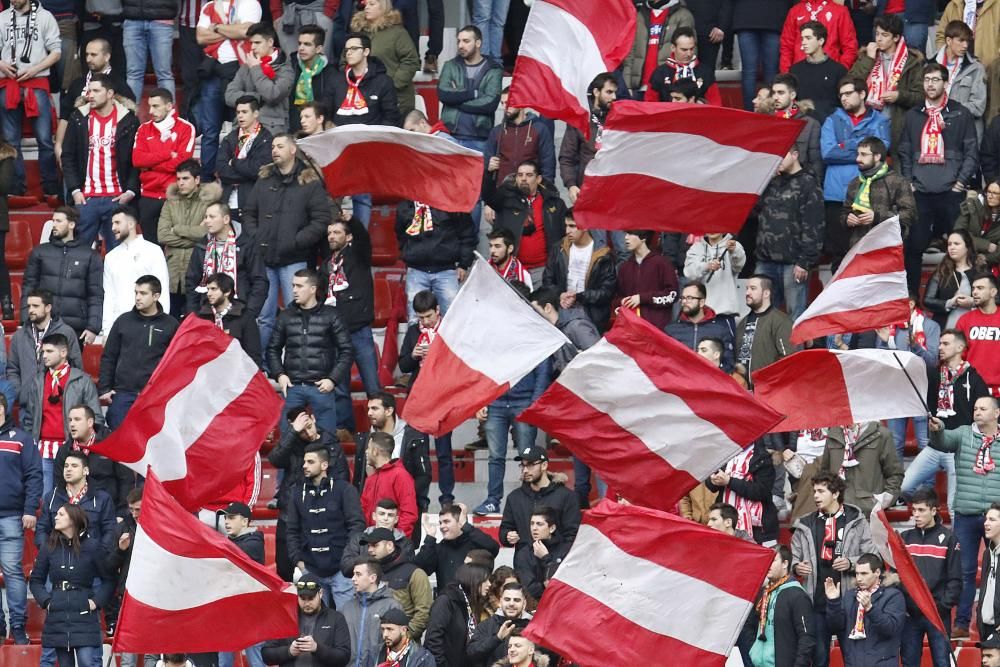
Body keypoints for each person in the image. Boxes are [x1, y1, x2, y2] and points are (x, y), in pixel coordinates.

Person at [245, 133, 331, 353]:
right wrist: (257, 237)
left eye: (280, 146)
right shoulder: (264, 178)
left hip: (294, 259)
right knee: (264, 316)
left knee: (297, 315)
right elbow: (249, 213)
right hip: (264, 258)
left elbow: (321, 219)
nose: (274, 150)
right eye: (273, 146)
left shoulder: (309, 180)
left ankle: (295, 366)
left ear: (293, 150)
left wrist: (296, 241)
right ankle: (261, 366)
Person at [898, 61, 980, 291]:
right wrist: (909, 183)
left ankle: (956, 296)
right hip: (920, 193)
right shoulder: (914, 115)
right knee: (913, 247)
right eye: (927, 79)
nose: (930, 84)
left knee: (958, 249)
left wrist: (961, 183)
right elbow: (904, 152)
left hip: (951, 193)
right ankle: (912, 298)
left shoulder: (960, 113)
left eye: (935, 80)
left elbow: (971, 152)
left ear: (946, 83)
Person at [929, 397, 1000, 638]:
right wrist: (937, 430)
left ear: (997, 413)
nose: (977, 412)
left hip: (997, 515)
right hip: (966, 515)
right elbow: (943, 442)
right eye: (975, 409)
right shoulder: (962, 433)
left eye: (983, 409)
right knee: (965, 571)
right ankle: (961, 623)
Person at [790, 472, 876, 667]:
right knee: (820, 661)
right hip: (817, 603)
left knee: (854, 661)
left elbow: (873, 558)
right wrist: (797, 567)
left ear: (836, 493)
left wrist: (852, 563)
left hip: (850, 604)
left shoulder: (857, 520)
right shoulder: (804, 524)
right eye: (814, 491)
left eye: (821, 491)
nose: (816, 496)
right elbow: (792, 558)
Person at [902, 328, 988, 506]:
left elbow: (985, 413)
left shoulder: (974, 378)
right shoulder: (934, 374)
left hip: (958, 449)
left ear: (960, 347)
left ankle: (952, 533)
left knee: (953, 507)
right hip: (934, 447)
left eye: (946, 344)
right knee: (904, 488)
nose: (940, 347)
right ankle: (931, 516)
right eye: (940, 343)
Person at [267, 269, 353, 437]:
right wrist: (280, 374)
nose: (294, 290)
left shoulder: (331, 315)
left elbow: (347, 350)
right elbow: (272, 349)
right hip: (293, 387)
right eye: (293, 286)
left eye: (299, 286)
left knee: (326, 443)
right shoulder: (285, 316)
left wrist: (332, 379)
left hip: (321, 387)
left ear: (313, 289)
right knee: (287, 442)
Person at [62, 73, 140, 251]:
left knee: (118, 256)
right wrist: (75, 190)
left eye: (96, 91)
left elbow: (136, 159)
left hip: (117, 197)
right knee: (78, 254)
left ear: (110, 93)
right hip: (86, 198)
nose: (90, 95)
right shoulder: (78, 118)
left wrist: (130, 191)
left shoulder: (129, 120)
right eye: (89, 91)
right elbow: (67, 156)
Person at [287, 442, 366, 611]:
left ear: (324, 465)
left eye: (310, 462)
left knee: (346, 622)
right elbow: (292, 530)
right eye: (304, 462)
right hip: (310, 569)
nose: (304, 466)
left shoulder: (344, 489)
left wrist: (348, 558)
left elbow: (356, 525)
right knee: (313, 626)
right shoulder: (296, 493)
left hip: (341, 571)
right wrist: (299, 562)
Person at [21, 335, 103, 500]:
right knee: (46, 501)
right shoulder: (37, 381)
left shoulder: (83, 380)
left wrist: (85, 445)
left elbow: (96, 418)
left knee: (74, 498)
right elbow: (29, 417)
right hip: (43, 449)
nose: (44, 355)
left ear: (64, 352)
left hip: (72, 449)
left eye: (49, 351)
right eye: (43, 351)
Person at [29, 504, 111, 667]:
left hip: (84, 612)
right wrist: (47, 601)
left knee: (86, 662)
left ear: (73, 519)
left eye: (61, 514)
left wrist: (95, 602)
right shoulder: (49, 547)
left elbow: (109, 579)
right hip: (57, 614)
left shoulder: (93, 546)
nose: (56, 517)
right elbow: (36, 580)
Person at [324, 217, 382, 431]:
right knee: (339, 386)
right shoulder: (326, 265)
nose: (332, 236)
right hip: (336, 333)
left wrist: (353, 221)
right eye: (330, 233)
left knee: (372, 385)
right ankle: (344, 429)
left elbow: (365, 240)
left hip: (359, 331)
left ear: (348, 237)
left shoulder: (358, 256)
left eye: (337, 232)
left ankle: (383, 429)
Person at [398, 291, 456, 504]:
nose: (425, 321)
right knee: (416, 452)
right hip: (419, 397)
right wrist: (414, 355)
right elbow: (403, 365)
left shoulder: (449, 330)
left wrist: (437, 354)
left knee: (443, 452)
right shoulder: (414, 332)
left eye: (429, 316)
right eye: (421, 317)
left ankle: (446, 498)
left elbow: (457, 361)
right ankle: (417, 498)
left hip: (443, 397)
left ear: (438, 310)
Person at [473, 359, 551, 516]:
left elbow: (543, 368)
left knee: (527, 456)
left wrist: (534, 402)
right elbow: (482, 365)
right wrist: (481, 400)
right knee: (495, 457)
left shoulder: (535, 335)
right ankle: (492, 501)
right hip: (495, 401)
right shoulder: (494, 337)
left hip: (524, 401)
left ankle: (528, 500)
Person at [821, 82, 891, 258]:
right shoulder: (831, 120)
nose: (843, 98)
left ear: (862, 94)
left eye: (848, 93)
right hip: (837, 195)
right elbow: (828, 152)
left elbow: (880, 151)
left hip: (870, 195)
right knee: (838, 255)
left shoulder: (880, 120)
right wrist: (863, 147)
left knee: (869, 255)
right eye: (841, 94)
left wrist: (844, 144)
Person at [98, 274, 178, 428]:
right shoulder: (123, 321)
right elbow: (109, 357)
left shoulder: (171, 324)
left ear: (156, 296)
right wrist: (105, 389)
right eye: (136, 293)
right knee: (119, 443)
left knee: (150, 447)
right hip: (122, 393)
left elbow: (175, 363)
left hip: (154, 396)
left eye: (143, 293)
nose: (138, 297)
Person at [0, 0, 61, 198]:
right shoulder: (1, 18)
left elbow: (57, 52)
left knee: (44, 138)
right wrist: (1, 64)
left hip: (36, 81)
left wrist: (36, 69)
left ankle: (50, 187)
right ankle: (16, 187)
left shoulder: (45, 17)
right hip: (7, 83)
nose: (12, 0)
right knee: (11, 140)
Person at [194, 0, 261, 180]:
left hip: (240, 70)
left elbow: (246, 31)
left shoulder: (249, 3)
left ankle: (236, 174)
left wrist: (215, 27)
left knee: (241, 126)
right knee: (210, 131)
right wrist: (230, 29)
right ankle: (207, 178)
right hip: (214, 72)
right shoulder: (209, 6)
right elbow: (200, 37)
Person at [848, 13, 925, 158]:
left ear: (896, 38)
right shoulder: (868, 56)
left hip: (898, 126)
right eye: (877, 34)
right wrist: (869, 59)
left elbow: (921, 96)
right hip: (868, 124)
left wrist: (899, 96)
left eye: (884, 35)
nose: (879, 39)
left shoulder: (912, 62)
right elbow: (850, 86)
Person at [899, 488, 962, 667]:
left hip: (937, 614)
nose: (916, 515)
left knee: (942, 663)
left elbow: (955, 579)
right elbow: (897, 576)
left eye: (921, 510)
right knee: (909, 662)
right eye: (914, 510)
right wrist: (906, 605)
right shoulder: (904, 538)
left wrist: (941, 607)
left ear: (934, 510)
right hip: (911, 615)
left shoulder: (949, 538)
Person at [56, 38, 134, 171]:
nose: (88, 59)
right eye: (86, 54)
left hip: (108, 153)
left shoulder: (119, 84)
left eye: (93, 55)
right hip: (77, 149)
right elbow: (65, 116)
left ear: (107, 56)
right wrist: (58, 145)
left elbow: (129, 121)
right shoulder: (77, 84)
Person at [132, 88, 196, 247]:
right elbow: (138, 160)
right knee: (151, 250)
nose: (151, 111)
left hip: (175, 196)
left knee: (177, 247)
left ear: (169, 106)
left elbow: (182, 164)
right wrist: (168, 154)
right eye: (149, 106)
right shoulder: (143, 128)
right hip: (148, 196)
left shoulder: (186, 128)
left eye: (156, 106)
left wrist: (151, 164)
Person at [0, 393, 40, 646]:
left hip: (12, 516)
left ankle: (17, 626)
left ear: (3, 409)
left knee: (13, 572)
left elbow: (34, 475)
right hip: (11, 516)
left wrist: (29, 509)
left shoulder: (22, 440)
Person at [158, 161, 224, 314]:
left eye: (185, 178)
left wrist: (178, 229)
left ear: (197, 180)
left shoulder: (210, 201)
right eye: (178, 179)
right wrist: (194, 234)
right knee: (172, 319)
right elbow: (162, 235)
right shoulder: (170, 202)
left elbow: (207, 234)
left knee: (195, 319)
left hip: (199, 270)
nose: (181, 183)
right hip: (173, 271)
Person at [186, 202, 269, 318]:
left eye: (212, 217)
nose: (207, 221)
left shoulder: (246, 244)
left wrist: (249, 313)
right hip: (206, 312)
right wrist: (193, 314)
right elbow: (192, 282)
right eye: (206, 217)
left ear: (226, 219)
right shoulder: (202, 246)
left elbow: (259, 280)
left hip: (240, 311)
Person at [354, 394, 429, 523]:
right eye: (368, 409)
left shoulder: (413, 437)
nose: (369, 413)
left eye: (374, 409)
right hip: (372, 516)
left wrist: (405, 499)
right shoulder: (364, 440)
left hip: (403, 511)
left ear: (389, 411)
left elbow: (424, 476)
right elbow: (358, 480)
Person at [396, 200, 475, 320]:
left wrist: (464, 264)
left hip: (446, 270)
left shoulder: (451, 202)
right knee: (416, 320)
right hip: (416, 270)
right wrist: (409, 252)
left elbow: (467, 234)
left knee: (451, 320)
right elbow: (400, 233)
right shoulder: (406, 205)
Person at [824, 552, 906, 667]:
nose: (859, 578)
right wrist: (833, 602)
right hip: (854, 662)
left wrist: (870, 609)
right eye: (857, 574)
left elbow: (891, 629)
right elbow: (836, 627)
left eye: (864, 573)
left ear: (877, 572)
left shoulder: (894, 596)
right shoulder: (850, 595)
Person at [839, 135, 916, 256]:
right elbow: (844, 212)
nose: (858, 159)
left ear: (877, 156)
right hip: (858, 249)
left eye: (864, 155)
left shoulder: (898, 181)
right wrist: (847, 219)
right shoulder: (854, 183)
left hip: (887, 249)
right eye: (858, 154)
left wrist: (878, 217)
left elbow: (909, 214)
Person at [541, 211, 615, 334]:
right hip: (561, 309)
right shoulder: (559, 248)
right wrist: (560, 295)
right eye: (566, 226)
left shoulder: (603, 254)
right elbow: (547, 280)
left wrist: (579, 297)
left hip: (591, 314)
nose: (567, 231)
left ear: (585, 226)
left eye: (572, 226)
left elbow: (606, 292)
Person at [498, 446, 580, 558]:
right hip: (524, 565)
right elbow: (505, 528)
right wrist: (507, 536)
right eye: (523, 465)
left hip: (555, 564)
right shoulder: (514, 497)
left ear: (544, 465)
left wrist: (553, 559)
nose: (525, 470)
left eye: (531, 465)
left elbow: (572, 535)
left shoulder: (566, 496)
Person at [101, 207, 171, 336]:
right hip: (119, 327)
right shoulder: (110, 257)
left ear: (131, 224)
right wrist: (107, 330)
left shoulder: (153, 251)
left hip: (149, 325)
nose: (112, 228)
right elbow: (109, 296)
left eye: (117, 223)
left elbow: (162, 290)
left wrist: (161, 325)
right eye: (112, 223)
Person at [7, 289, 83, 406]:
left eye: (35, 306)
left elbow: (76, 368)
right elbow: (12, 369)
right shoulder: (19, 336)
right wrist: (20, 393)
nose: (31, 310)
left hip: (57, 404)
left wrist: (65, 395)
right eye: (29, 306)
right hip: (28, 405)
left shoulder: (66, 332)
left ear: (48, 308)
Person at [261, 572, 352, 667]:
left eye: (311, 598)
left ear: (320, 593)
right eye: (302, 598)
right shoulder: (285, 618)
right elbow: (266, 655)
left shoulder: (336, 618)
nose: (307, 603)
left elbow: (344, 657)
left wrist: (317, 648)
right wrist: (289, 651)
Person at [437, 25, 502, 153]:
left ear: (478, 43)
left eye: (466, 41)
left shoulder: (494, 69)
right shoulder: (450, 65)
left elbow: (490, 104)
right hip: (449, 136)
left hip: (479, 139)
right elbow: (444, 94)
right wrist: (474, 94)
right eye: (459, 41)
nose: (461, 45)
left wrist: (456, 101)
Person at [52, 405, 130, 512]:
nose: (72, 424)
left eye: (77, 419)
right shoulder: (64, 450)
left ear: (90, 423)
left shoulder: (111, 444)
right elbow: (59, 484)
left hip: (107, 511)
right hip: (74, 514)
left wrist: (121, 513)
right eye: (70, 420)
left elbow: (126, 479)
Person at [348, 0, 419, 117]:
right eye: (365, 5)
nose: (366, 8)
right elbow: (344, 60)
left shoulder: (398, 33)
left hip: (396, 99)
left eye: (372, 4)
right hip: (362, 98)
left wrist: (392, 85)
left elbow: (411, 61)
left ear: (383, 7)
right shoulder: (357, 32)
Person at [749, 545, 816, 667]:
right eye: (767, 559)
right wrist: (752, 653)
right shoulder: (763, 593)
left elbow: (807, 638)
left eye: (773, 560)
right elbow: (751, 627)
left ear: (785, 564)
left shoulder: (797, 595)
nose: (768, 563)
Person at [359, 527, 431, 642]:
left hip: (403, 646)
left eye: (375, 545)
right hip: (371, 646)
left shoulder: (414, 573)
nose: (370, 550)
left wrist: (403, 637)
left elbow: (423, 613)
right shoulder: (370, 574)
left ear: (389, 546)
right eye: (369, 546)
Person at [36, 451, 117, 553]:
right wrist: (48, 553)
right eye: (66, 466)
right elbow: (42, 529)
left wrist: (100, 555)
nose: (68, 469)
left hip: (91, 560)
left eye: (74, 466)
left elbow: (110, 530)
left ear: (85, 471)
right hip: (58, 558)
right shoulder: (51, 497)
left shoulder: (102, 498)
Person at [817, 422, 903, 517]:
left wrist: (883, 500)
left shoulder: (881, 434)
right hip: (836, 510)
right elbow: (825, 474)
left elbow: (895, 473)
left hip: (868, 513)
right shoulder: (833, 433)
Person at [218, 502, 266, 667]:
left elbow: (233, 554)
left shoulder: (254, 543)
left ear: (245, 522)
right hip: (228, 609)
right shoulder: (225, 543)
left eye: (231, 517)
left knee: (257, 661)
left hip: (251, 611)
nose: (226, 522)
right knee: (224, 663)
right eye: (225, 517)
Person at [225, 22, 295, 135]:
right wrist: (257, 98)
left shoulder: (285, 68)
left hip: (271, 132)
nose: (252, 47)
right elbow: (229, 95)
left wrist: (256, 69)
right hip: (243, 130)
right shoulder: (248, 66)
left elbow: (273, 95)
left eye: (257, 43)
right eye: (251, 43)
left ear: (270, 42)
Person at [559, 73, 617, 207]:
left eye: (615, 93)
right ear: (596, 92)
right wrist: (571, 185)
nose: (614, 97)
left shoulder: (619, 118)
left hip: (614, 192)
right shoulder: (580, 119)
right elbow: (567, 157)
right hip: (587, 191)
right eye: (609, 92)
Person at [414, 504, 499, 589]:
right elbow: (419, 569)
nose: (442, 526)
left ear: (460, 522)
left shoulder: (475, 543)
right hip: (448, 601)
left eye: (446, 521)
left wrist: (466, 526)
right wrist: (430, 538)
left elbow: (493, 548)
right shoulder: (439, 549)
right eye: (440, 523)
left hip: (475, 600)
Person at [623, 0, 695, 99]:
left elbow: (688, 54)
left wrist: (682, 90)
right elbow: (630, 52)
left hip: (669, 90)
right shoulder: (639, 15)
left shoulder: (683, 15)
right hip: (639, 88)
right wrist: (627, 85)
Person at [218, 96, 275, 223]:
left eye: (244, 112)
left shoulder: (266, 139)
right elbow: (222, 170)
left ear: (255, 113)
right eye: (238, 112)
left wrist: (234, 162)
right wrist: (247, 172)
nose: (240, 116)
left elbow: (258, 170)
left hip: (253, 204)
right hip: (228, 204)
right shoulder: (231, 138)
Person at [484, 91, 556, 188]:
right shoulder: (497, 131)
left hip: (530, 190)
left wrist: (546, 190)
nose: (505, 107)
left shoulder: (539, 129)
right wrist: (489, 166)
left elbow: (548, 163)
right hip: (503, 191)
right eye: (503, 103)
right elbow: (486, 162)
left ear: (521, 103)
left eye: (509, 102)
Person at [424, 564, 489, 667]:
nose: (489, 584)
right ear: (473, 580)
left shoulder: (471, 602)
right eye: (485, 580)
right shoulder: (446, 601)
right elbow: (433, 639)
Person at [734, 275, 793, 389]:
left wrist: (768, 383)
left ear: (766, 293)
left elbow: (787, 359)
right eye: (747, 288)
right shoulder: (742, 323)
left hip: (768, 391)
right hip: (743, 392)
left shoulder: (781, 321)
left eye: (753, 288)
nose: (747, 292)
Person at [343, 559, 403, 667]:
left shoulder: (391, 606)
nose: (353, 579)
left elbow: (399, 646)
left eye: (358, 574)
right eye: (353, 574)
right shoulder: (347, 608)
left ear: (372, 578)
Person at [615, 230, 679, 331]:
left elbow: (672, 295)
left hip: (656, 329)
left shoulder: (662, 263)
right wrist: (621, 303)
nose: (626, 238)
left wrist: (642, 298)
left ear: (643, 237)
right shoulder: (625, 267)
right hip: (631, 328)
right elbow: (618, 296)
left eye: (631, 233)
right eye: (625, 234)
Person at [683, 233, 745, 336]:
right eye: (710, 226)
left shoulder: (733, 245)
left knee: (725, 351)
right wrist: (706, 266)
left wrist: (733, 251)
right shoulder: (696, 247)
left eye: (717, 226)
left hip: (724, 314)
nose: (713, 230)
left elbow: (739, 266)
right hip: (701, 314)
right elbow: (689, 273)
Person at [360, 432, 419, 540]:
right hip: (371, 543)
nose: (366, 451)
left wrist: (397, 542)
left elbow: (409, 513)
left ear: (375, 451)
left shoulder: (401, 476)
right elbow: (363, 510)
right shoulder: (371, 479)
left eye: (368, 448)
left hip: (392, 547)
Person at [196, 272, 263, 366]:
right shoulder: (202, 317)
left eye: (213, 289)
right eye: (208, 289)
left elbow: (253, 353)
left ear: (227, 292)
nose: (209, 294)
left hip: (237, 372)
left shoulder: (244, 316)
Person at [665, 281, 736, 369]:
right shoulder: (671, 330)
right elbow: (664, 361)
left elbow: (728, 364)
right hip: (679, 380)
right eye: (682, 298)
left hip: (710, 380)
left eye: (689, 298)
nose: (684, 302)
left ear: (702, 302)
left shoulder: (720, 330)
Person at [934, 21, 987, 137]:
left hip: (965, 133)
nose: (965, 46)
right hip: (935, 131)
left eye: (967, 41)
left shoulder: (976, 68)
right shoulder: (930, 65)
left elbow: (978, 107)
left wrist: (948, 106)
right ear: (948, 41)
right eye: (961, 40)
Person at [789, 22, 849, 123]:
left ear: (820, 41)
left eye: (808, 38)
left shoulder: (838, 70)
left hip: (830, 124)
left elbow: (844, 102)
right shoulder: (795, 70)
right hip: (802, 124)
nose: (803, 42)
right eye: (802, 38)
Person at [647, 26, 721, 105]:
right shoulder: (660, 73)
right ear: (673, 47)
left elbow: (716, 104)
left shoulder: (705, 72)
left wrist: (702, 103)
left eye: (692, 49)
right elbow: (650, 105)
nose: (689, 54)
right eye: (684, 50)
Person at [924, 230, 981, 329]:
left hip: (975, 328)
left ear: (967, 246)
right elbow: (927, 300)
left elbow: (994, 298)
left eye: (956, 244)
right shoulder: (941, 272)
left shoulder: (980, 271)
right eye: (949, 244)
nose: (952, 247)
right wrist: (949, 303)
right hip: (945, 326)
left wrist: (974, 302)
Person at [771, 75, 824, 182]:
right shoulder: (766, 121)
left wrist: (815, 187)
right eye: (774, 93)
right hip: (771, 184)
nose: (775, 97)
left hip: (799, 185)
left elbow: (816, 162)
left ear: (792, 95)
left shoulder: (810, 124)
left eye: (781, 93)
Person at [779, 0, 856, 74]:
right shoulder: (795, 11)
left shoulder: (840, 11)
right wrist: (787, 74)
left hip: (829, 73)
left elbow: (850, 46)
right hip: (799, 73)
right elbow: (786, 46)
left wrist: (839, 71)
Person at [466, 582, 532, 666]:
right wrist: (497, 638)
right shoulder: (486, 626)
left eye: (517, 600)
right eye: (507, 599)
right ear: (500, 602)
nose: (511, 604)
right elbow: (471, 654)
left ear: (524, 603)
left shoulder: (533, 627)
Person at [512, 507, 569, 601]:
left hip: (562, 603)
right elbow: (528, 589)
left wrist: (546, 558)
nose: (534, 528)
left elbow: (564, 585)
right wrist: (545, 585)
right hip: (535, 606)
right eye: (532, 524)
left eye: (539, 524)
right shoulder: (524, 553)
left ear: (552, 528)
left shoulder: (565, 550)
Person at [955, 274, 1000, 395]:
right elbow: (958, 356)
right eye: (973, 288)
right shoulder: (964, 320)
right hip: (971, 388)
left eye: (980, 288)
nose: (974, 292)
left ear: (993, 292)